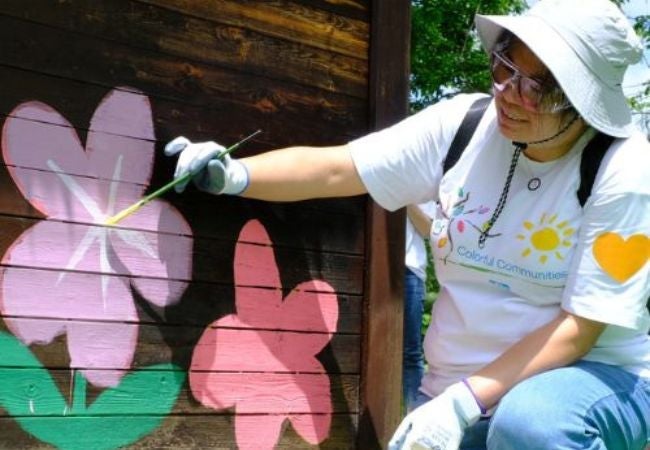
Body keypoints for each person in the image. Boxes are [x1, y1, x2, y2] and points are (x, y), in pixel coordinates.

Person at [164, 0, 650, 448]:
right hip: (461, 391)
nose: (507, 93)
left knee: (531, 423)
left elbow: (581, 327)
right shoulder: (463, 126)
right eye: (505, 66)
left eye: (536, 87)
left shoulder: (625, 171)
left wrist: (464, 401)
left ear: (580, 104)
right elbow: (341, 168)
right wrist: (234, 175)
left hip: (591, 384)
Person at [403, 203, 434, 413]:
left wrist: (402, 195)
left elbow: (427, 229)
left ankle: (413, 419)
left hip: (410, 269)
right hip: (371, 259)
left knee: (411, 353)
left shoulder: (422, 180)